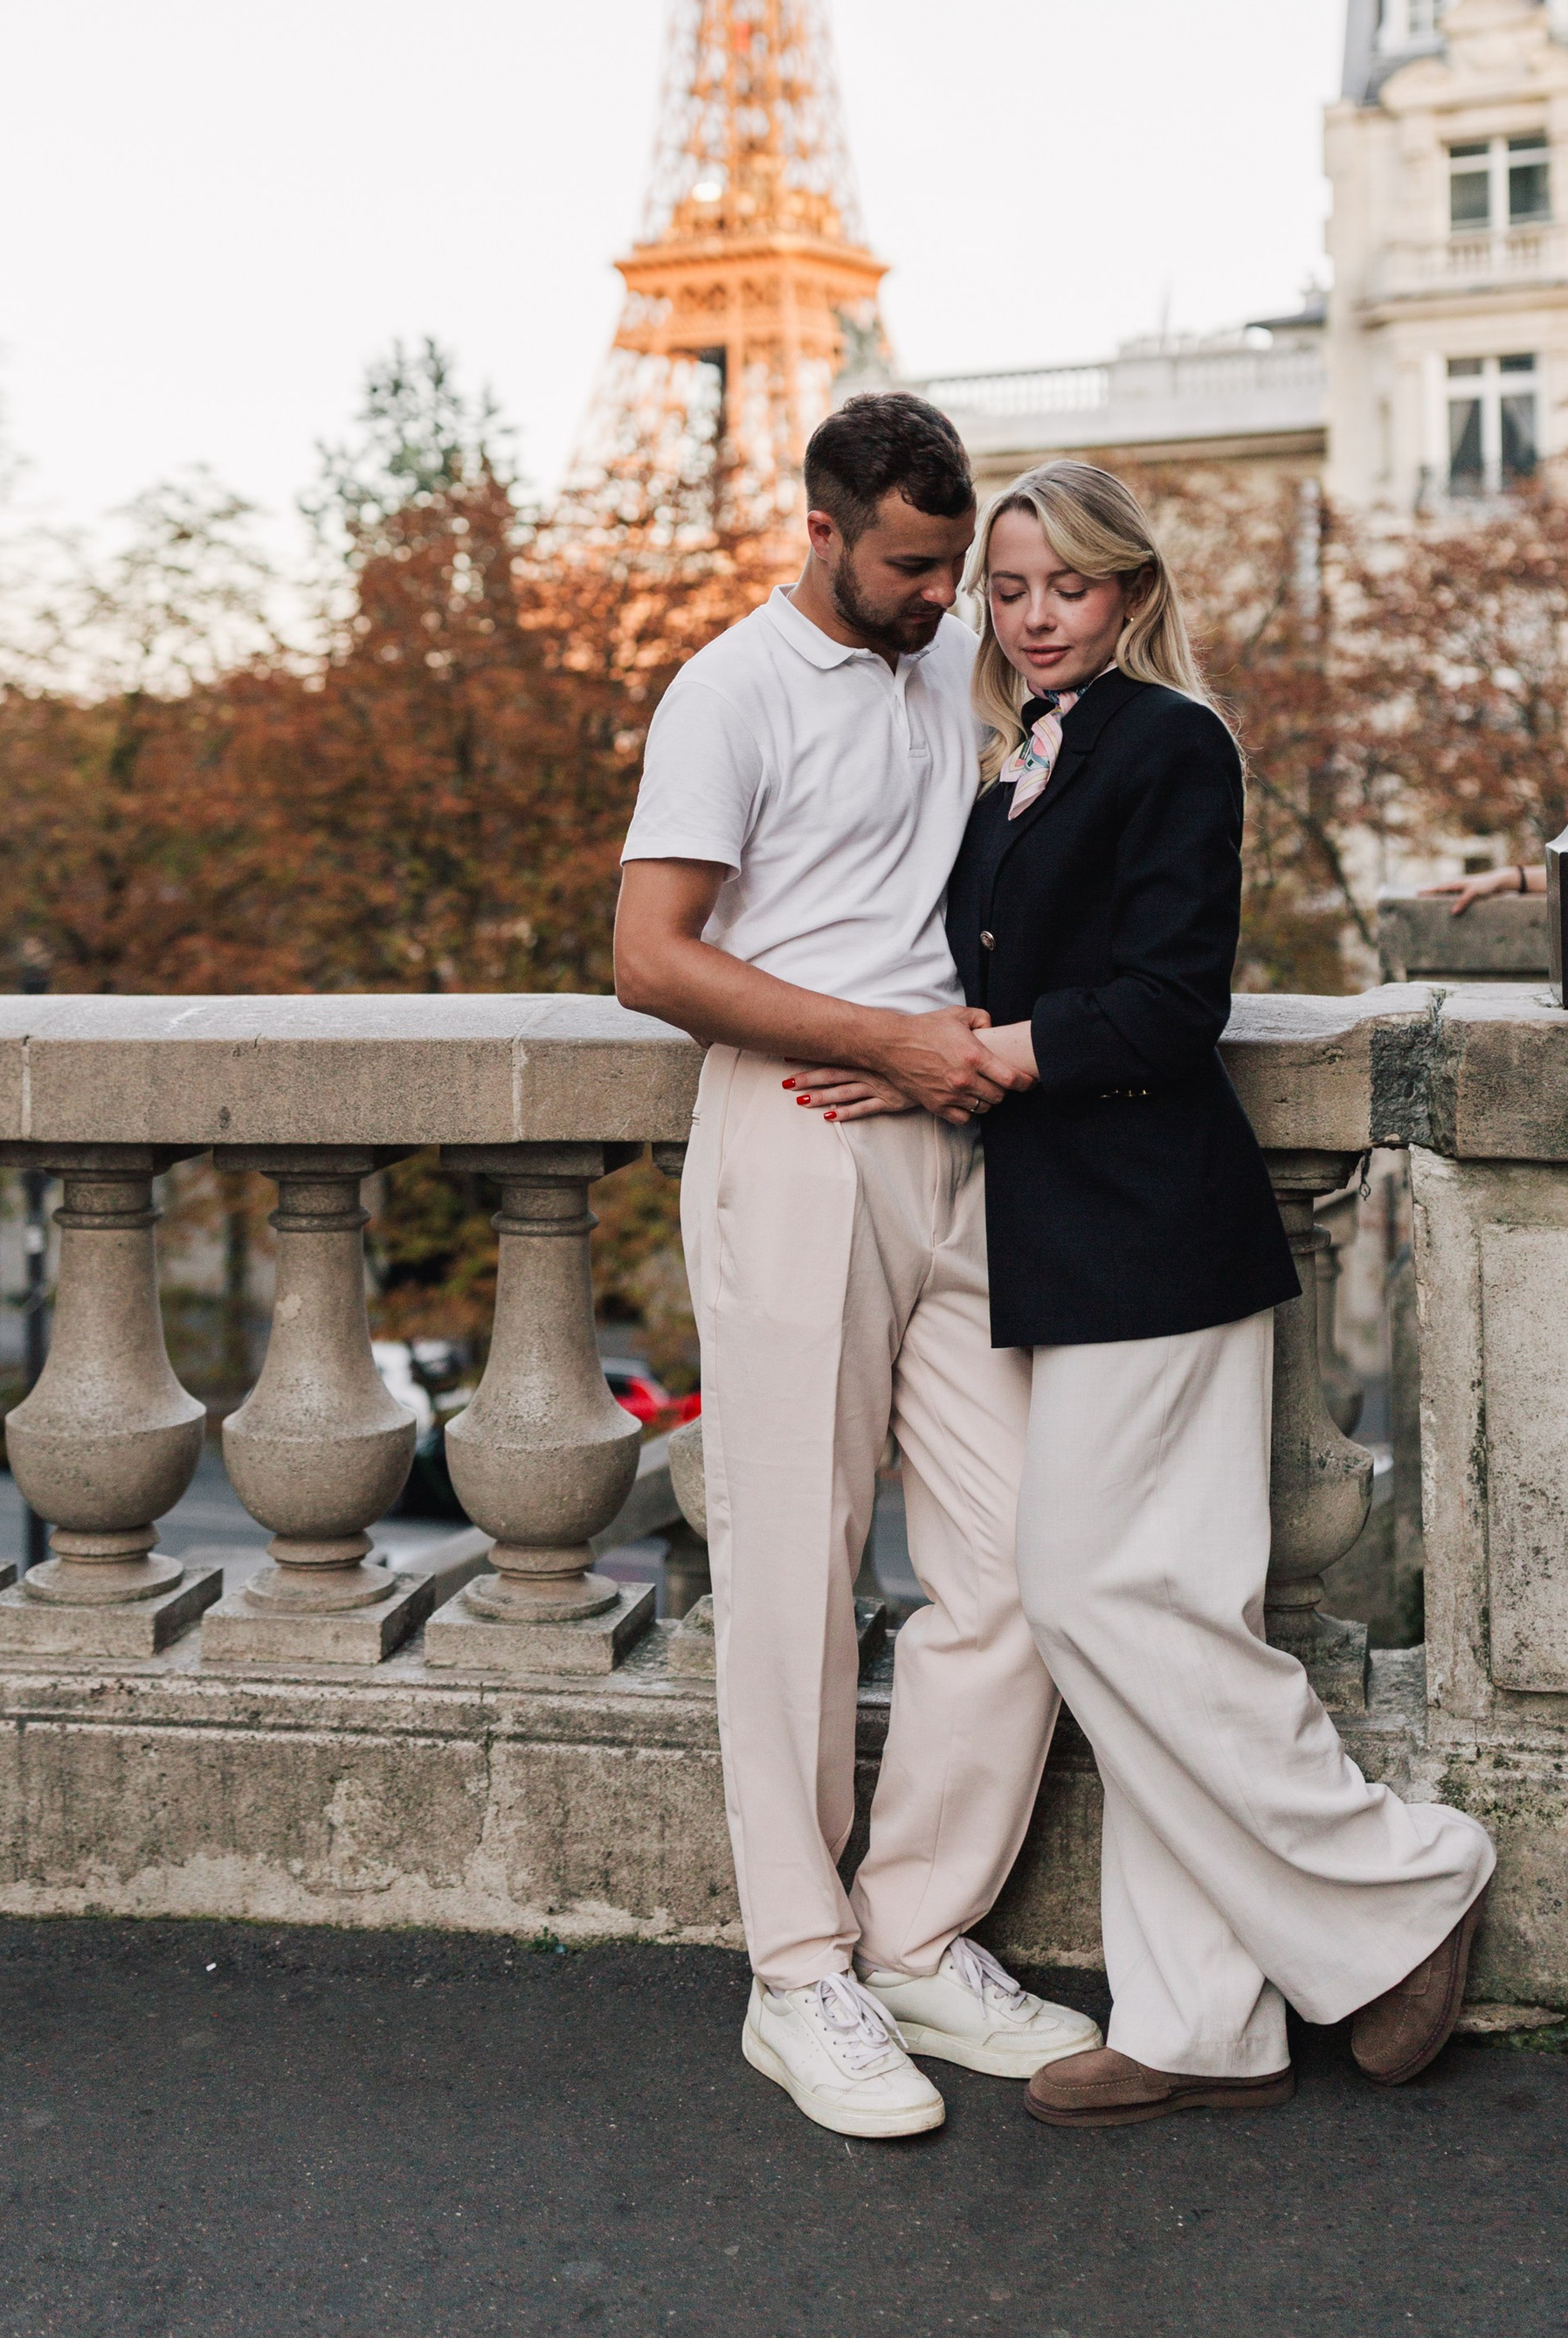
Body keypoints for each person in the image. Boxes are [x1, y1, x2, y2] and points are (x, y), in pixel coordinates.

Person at [798, 459, 1495, 2128]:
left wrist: (981, 1055)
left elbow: (1170, 1002)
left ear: (1130, 594)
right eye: (1010, 589)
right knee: (1157, 1609)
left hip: (1157, 1236)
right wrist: (915, 1067)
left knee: (1100, 1595)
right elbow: (989, 995)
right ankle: (1202, 2017)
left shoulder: (1171, 740)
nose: (1035, 617)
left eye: (1069, 589)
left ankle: (1404, 1880)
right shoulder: (1022, 764)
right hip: (1066, 1237)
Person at [612, 392, 1100, 2141]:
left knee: (1026, 1552)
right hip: (797, 1136)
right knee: (792, 1567)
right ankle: (797, 1968)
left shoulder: (950, 654)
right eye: (908, 564)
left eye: (950, 564)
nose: (940, 596)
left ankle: (912, 1930)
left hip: (957, 1142)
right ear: (816, 531)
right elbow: (647, 957)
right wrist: (871, 1039)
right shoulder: (727, 691)